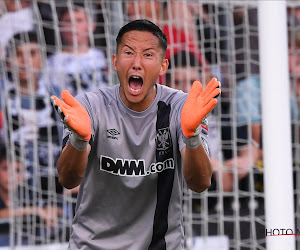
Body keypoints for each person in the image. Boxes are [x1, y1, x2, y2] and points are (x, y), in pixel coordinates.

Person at [51, 19, 220, 249]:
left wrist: (192, 137)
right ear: (115, 61)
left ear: (163, 66)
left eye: (148, 55)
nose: (137, 63)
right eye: (128, 53)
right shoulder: (89, 106)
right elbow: (68, 180)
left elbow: (200, 183)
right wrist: (79, 141)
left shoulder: (181, 107)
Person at [0, 143, 62, 246]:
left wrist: (52, 209)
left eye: (17, 170)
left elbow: (57, 210)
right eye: (5, 168)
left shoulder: (27, 195)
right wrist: (33, 210)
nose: (11, 175)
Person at [42, 3, 108, 97]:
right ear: (60, 27)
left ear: (91, 26)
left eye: (79, 21)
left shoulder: (104, 57)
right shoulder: (51, 63)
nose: (73, 26)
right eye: (67, 21)